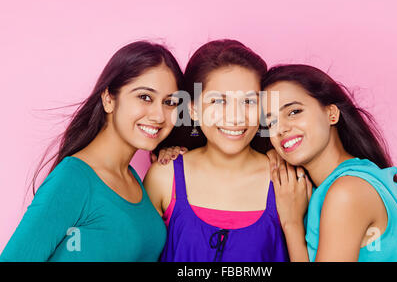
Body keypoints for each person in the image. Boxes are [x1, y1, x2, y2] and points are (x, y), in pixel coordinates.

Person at [0, 41, 184, 261]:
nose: (159, 115)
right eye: (145, 97)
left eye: (170, 102)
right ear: (109, 99)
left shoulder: (134, 179)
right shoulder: (74, 179)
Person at [261, 64, 397, 262]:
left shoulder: (347, 193)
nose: (281, 129)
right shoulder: (364, 175)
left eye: (294, 111)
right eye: (271, 122)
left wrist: (292, 224)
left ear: (331, 114)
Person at [144, 39, 289, 262]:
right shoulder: (164, 176)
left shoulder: (285, 181)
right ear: (192, 109)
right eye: (218, 101)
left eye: (249, 102)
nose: (235, 117)